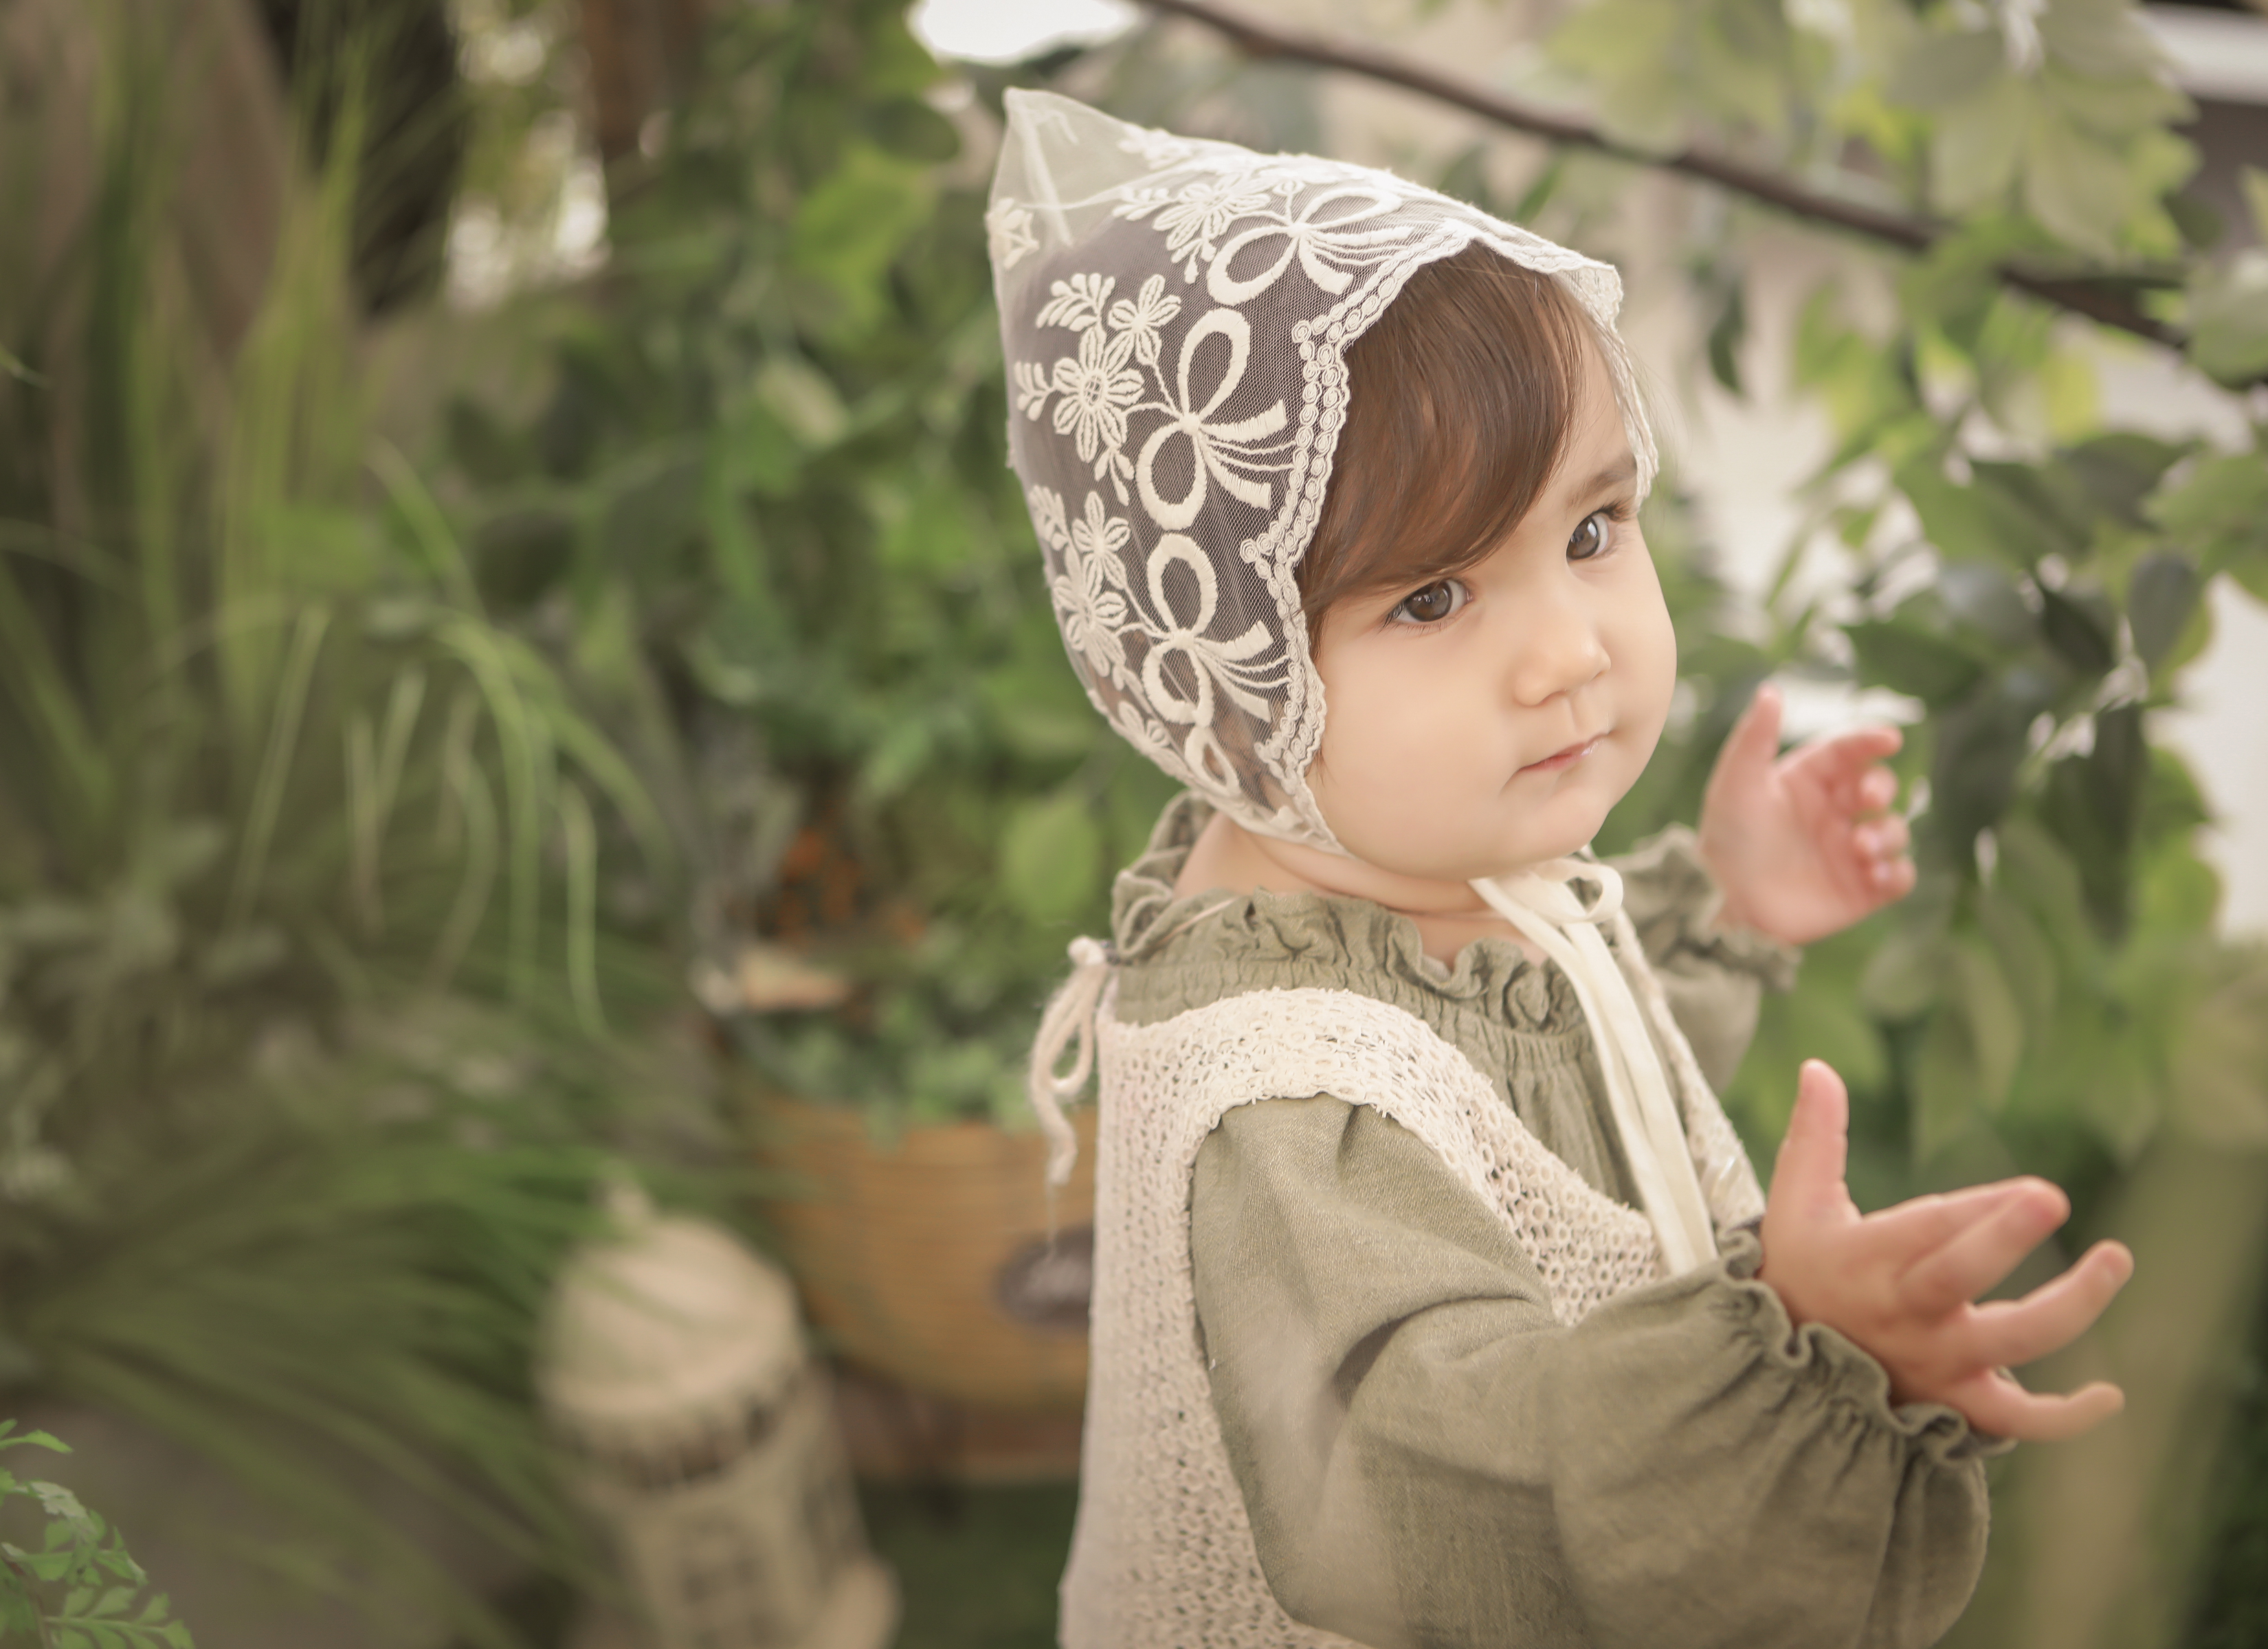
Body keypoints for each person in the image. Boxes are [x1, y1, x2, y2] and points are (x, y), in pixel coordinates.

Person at [990, 89, 2133, 1649]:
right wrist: (1773, 1364)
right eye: (1436, 597)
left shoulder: (1403, 867)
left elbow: (1536, 1086)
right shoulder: (1285, 1099)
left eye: (1593, 530)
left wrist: (1718, 904)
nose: (1571, 653)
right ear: (1228, 679)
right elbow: (1434, 1472)